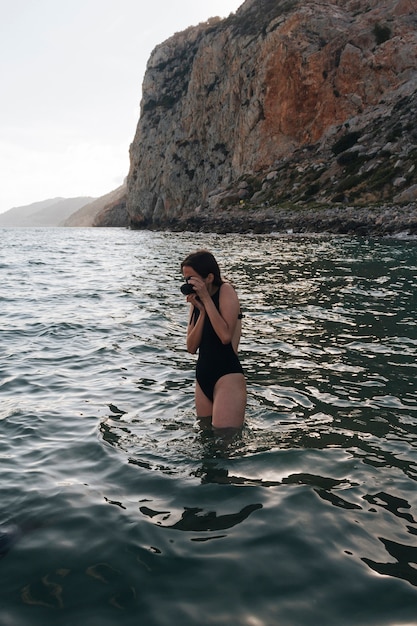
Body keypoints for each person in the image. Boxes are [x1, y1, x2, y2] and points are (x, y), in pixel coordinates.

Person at [180, 250, 246, 429]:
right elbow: (191, 347)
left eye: (193, 278)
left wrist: (207, 300)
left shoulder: (226, 290)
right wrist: (201, 311)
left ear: (209, 277)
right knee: (206, 438)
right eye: (186, 279)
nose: (189, 283)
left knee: (225, 441)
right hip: (203, 376)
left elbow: (225, 336)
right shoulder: (198, 302)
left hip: (227, 375)